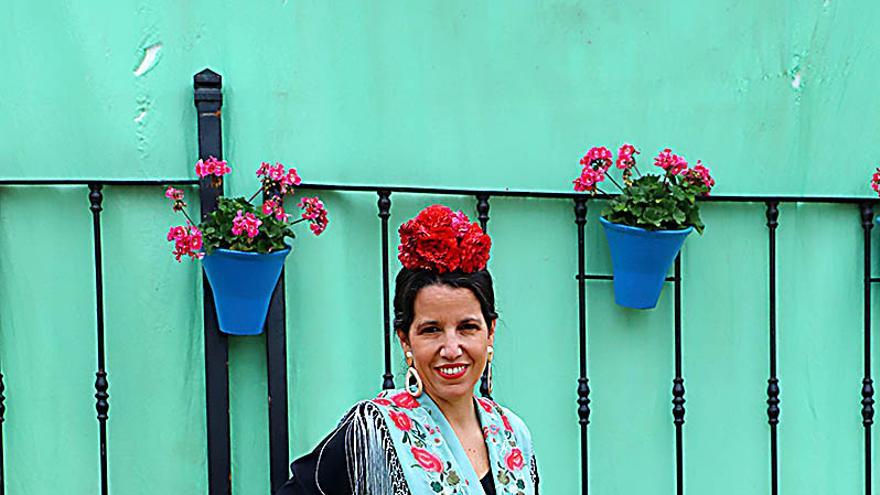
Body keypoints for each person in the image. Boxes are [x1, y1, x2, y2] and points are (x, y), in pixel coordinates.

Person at [277, 204, 539, 495]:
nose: (451, 349)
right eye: (431, 330)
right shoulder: (373, 432)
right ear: (405, 339)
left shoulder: (512, 434)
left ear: (490, 332)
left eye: (467, 327)